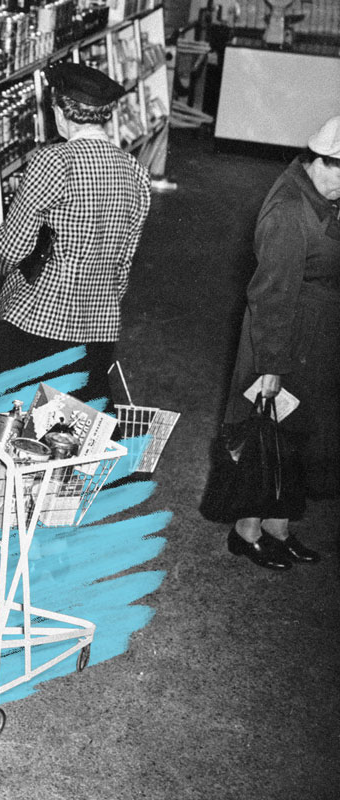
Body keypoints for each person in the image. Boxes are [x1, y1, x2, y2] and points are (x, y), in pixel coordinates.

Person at [0, 62, 151, 406]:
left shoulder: (54, 161)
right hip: (99, 327)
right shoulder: (135, 170)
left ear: (61, 112)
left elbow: (10, 248)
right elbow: (123, 265)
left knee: (10, 422)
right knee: (74, 428)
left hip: (38, 321)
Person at [218, 115, 340, 570]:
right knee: (268, 434)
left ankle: (278, 526)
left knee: (298, 436)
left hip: (314, 338)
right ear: (326, 161)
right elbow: (270, 294)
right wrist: (270, 366)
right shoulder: (289, 211)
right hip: (284, 339)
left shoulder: (320, 195)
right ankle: (246, 531)